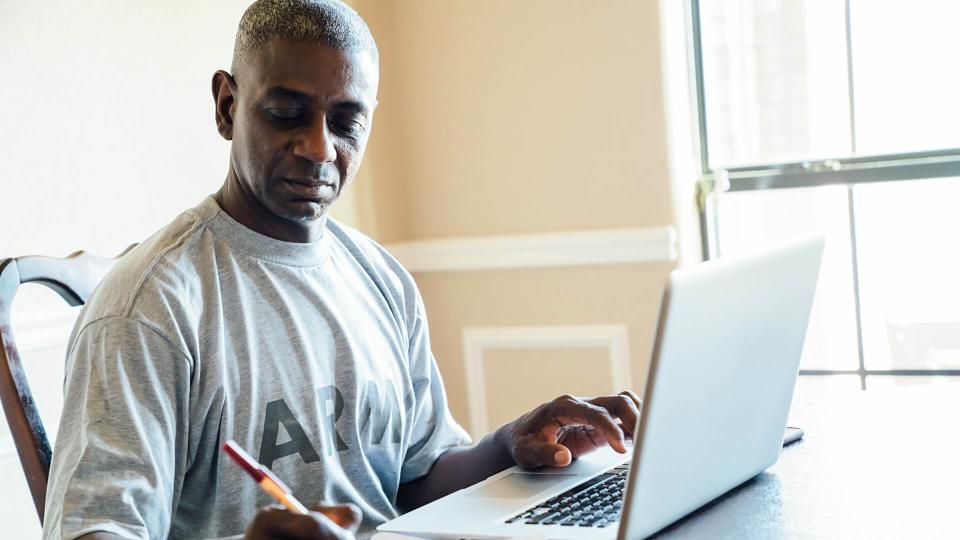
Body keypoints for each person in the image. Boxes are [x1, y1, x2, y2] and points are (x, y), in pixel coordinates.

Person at [41, 1, 642, 539]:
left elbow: (414, 481)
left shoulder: (380, 276)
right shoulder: (149, 308)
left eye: (347, 121)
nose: (321, 148)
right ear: (227, 106)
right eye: (285, 113)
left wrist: (508, 446)